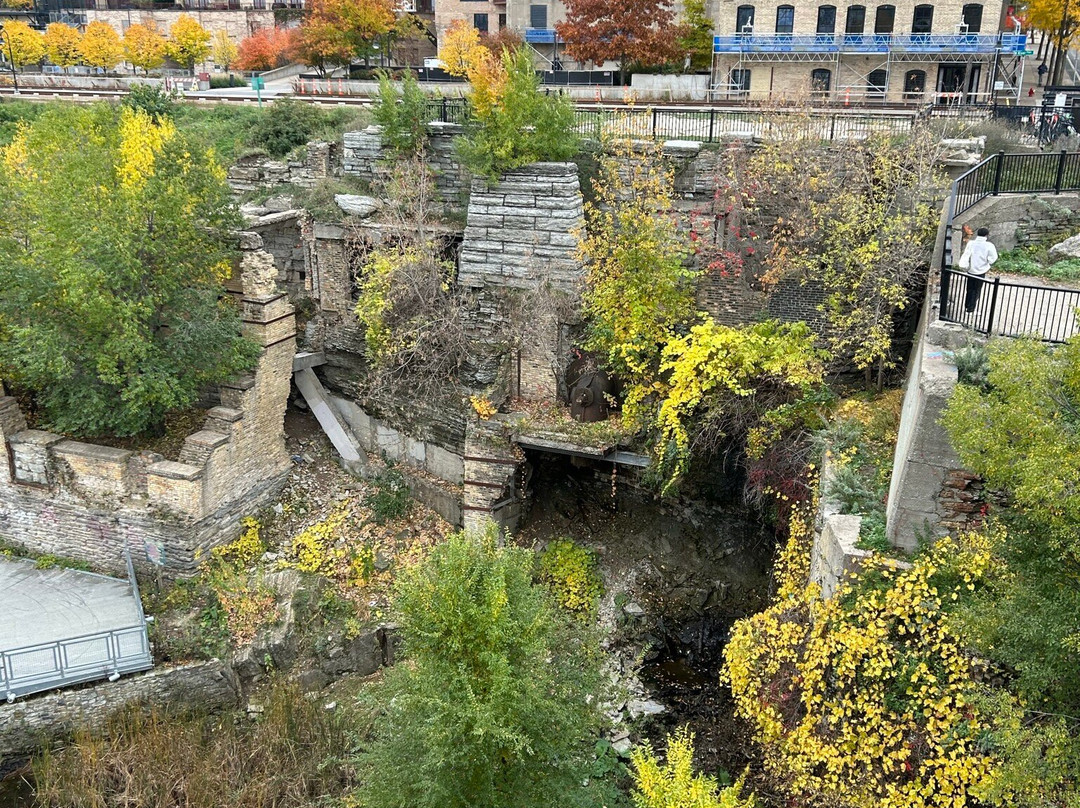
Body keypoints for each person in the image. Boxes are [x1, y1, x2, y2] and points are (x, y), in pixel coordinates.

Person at [957, 226, 998, 313]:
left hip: (971, 269)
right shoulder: (989, 245)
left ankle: (967, 306)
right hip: (981, 270)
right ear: (986, 235)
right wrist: (988, 262)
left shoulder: (971, 243)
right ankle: (971, 309)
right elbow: (992, 258)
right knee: (976, 290)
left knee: (970, 289)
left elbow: (967, 254)